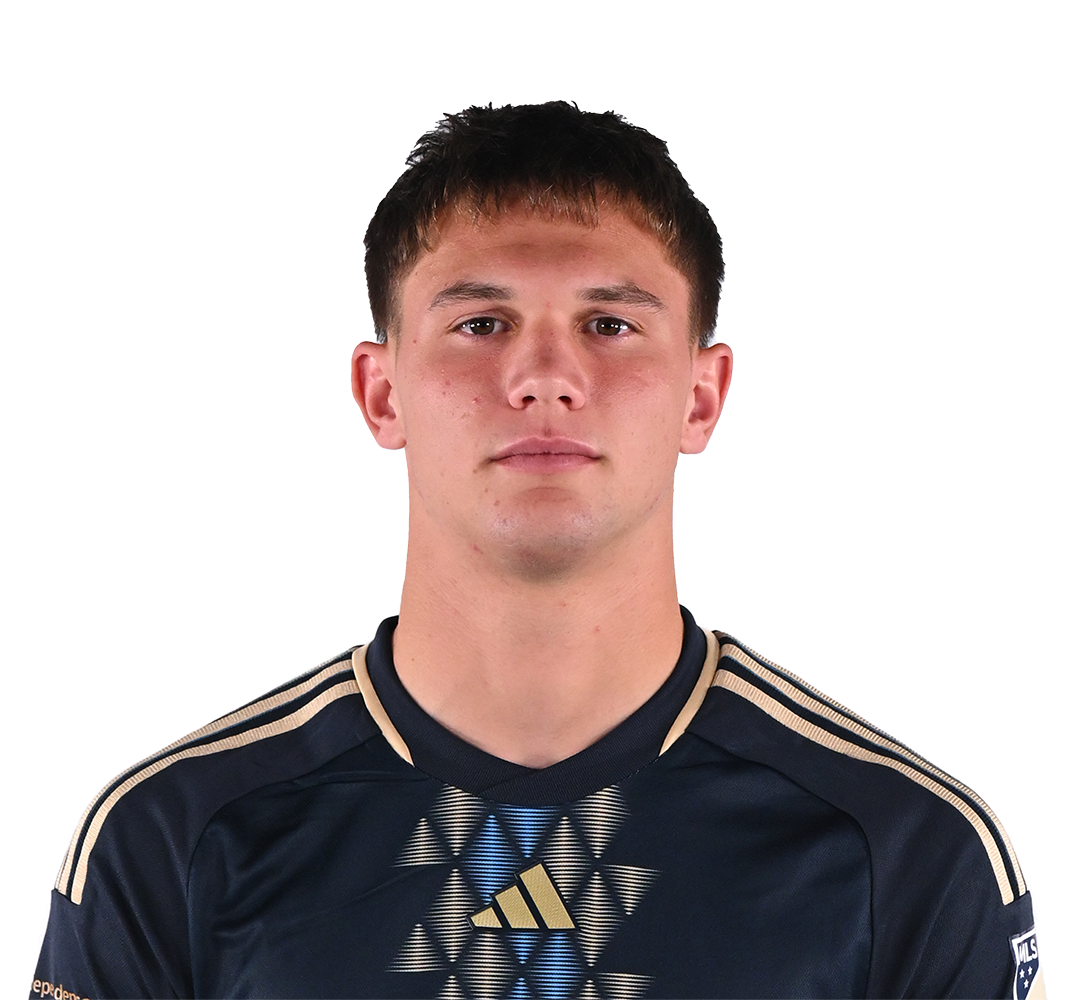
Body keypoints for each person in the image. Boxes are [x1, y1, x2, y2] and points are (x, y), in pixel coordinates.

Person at [29, 101, 1041, 1000]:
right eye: (481, 322)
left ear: (702, 396)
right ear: (382, 392)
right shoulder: (173, 840)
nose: (545, 375)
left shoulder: (907, 851)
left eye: (609, 323)